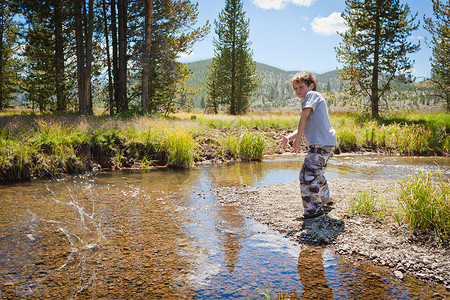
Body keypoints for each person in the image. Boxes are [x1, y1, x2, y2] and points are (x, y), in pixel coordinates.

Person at [277, 71, 337, 220]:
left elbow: (303, 117)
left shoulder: (311, 95)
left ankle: (313, 210)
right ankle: (325, 200)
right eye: (295, 89)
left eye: (301, 87)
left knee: (306, 175)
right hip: (327, 143)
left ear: (311, 86)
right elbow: (304, 125)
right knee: (317, 173)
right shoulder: (314, 99)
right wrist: (290, 138)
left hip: (320, 144)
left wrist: (298, 141)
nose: (298, 91)